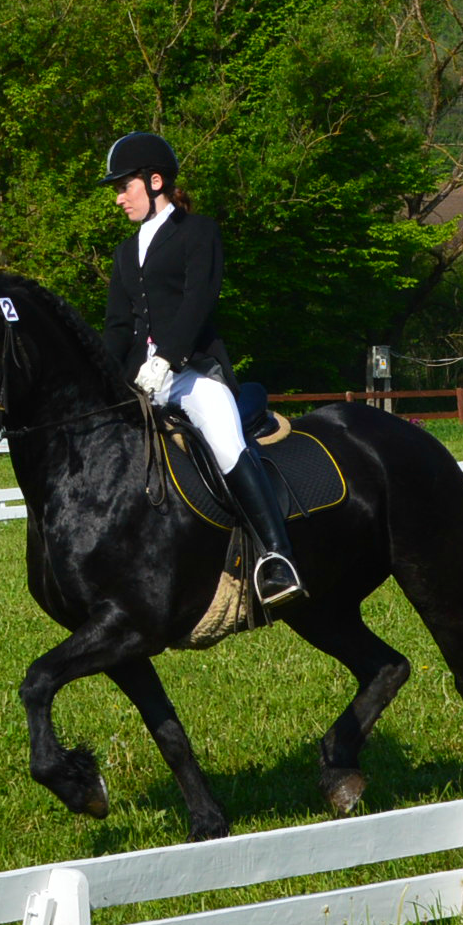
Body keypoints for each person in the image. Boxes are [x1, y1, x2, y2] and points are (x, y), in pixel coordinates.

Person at [98, 132, 306, 607]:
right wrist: (103, 378)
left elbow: (198, 302)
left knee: (225, 440)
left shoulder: (199, 232)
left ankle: (277, 556)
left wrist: (166, 358)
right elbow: (117, 327)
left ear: (154, 182)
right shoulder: (124, 254)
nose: (117, 198)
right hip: (141, 383)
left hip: (192, 375)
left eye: (123, 186)